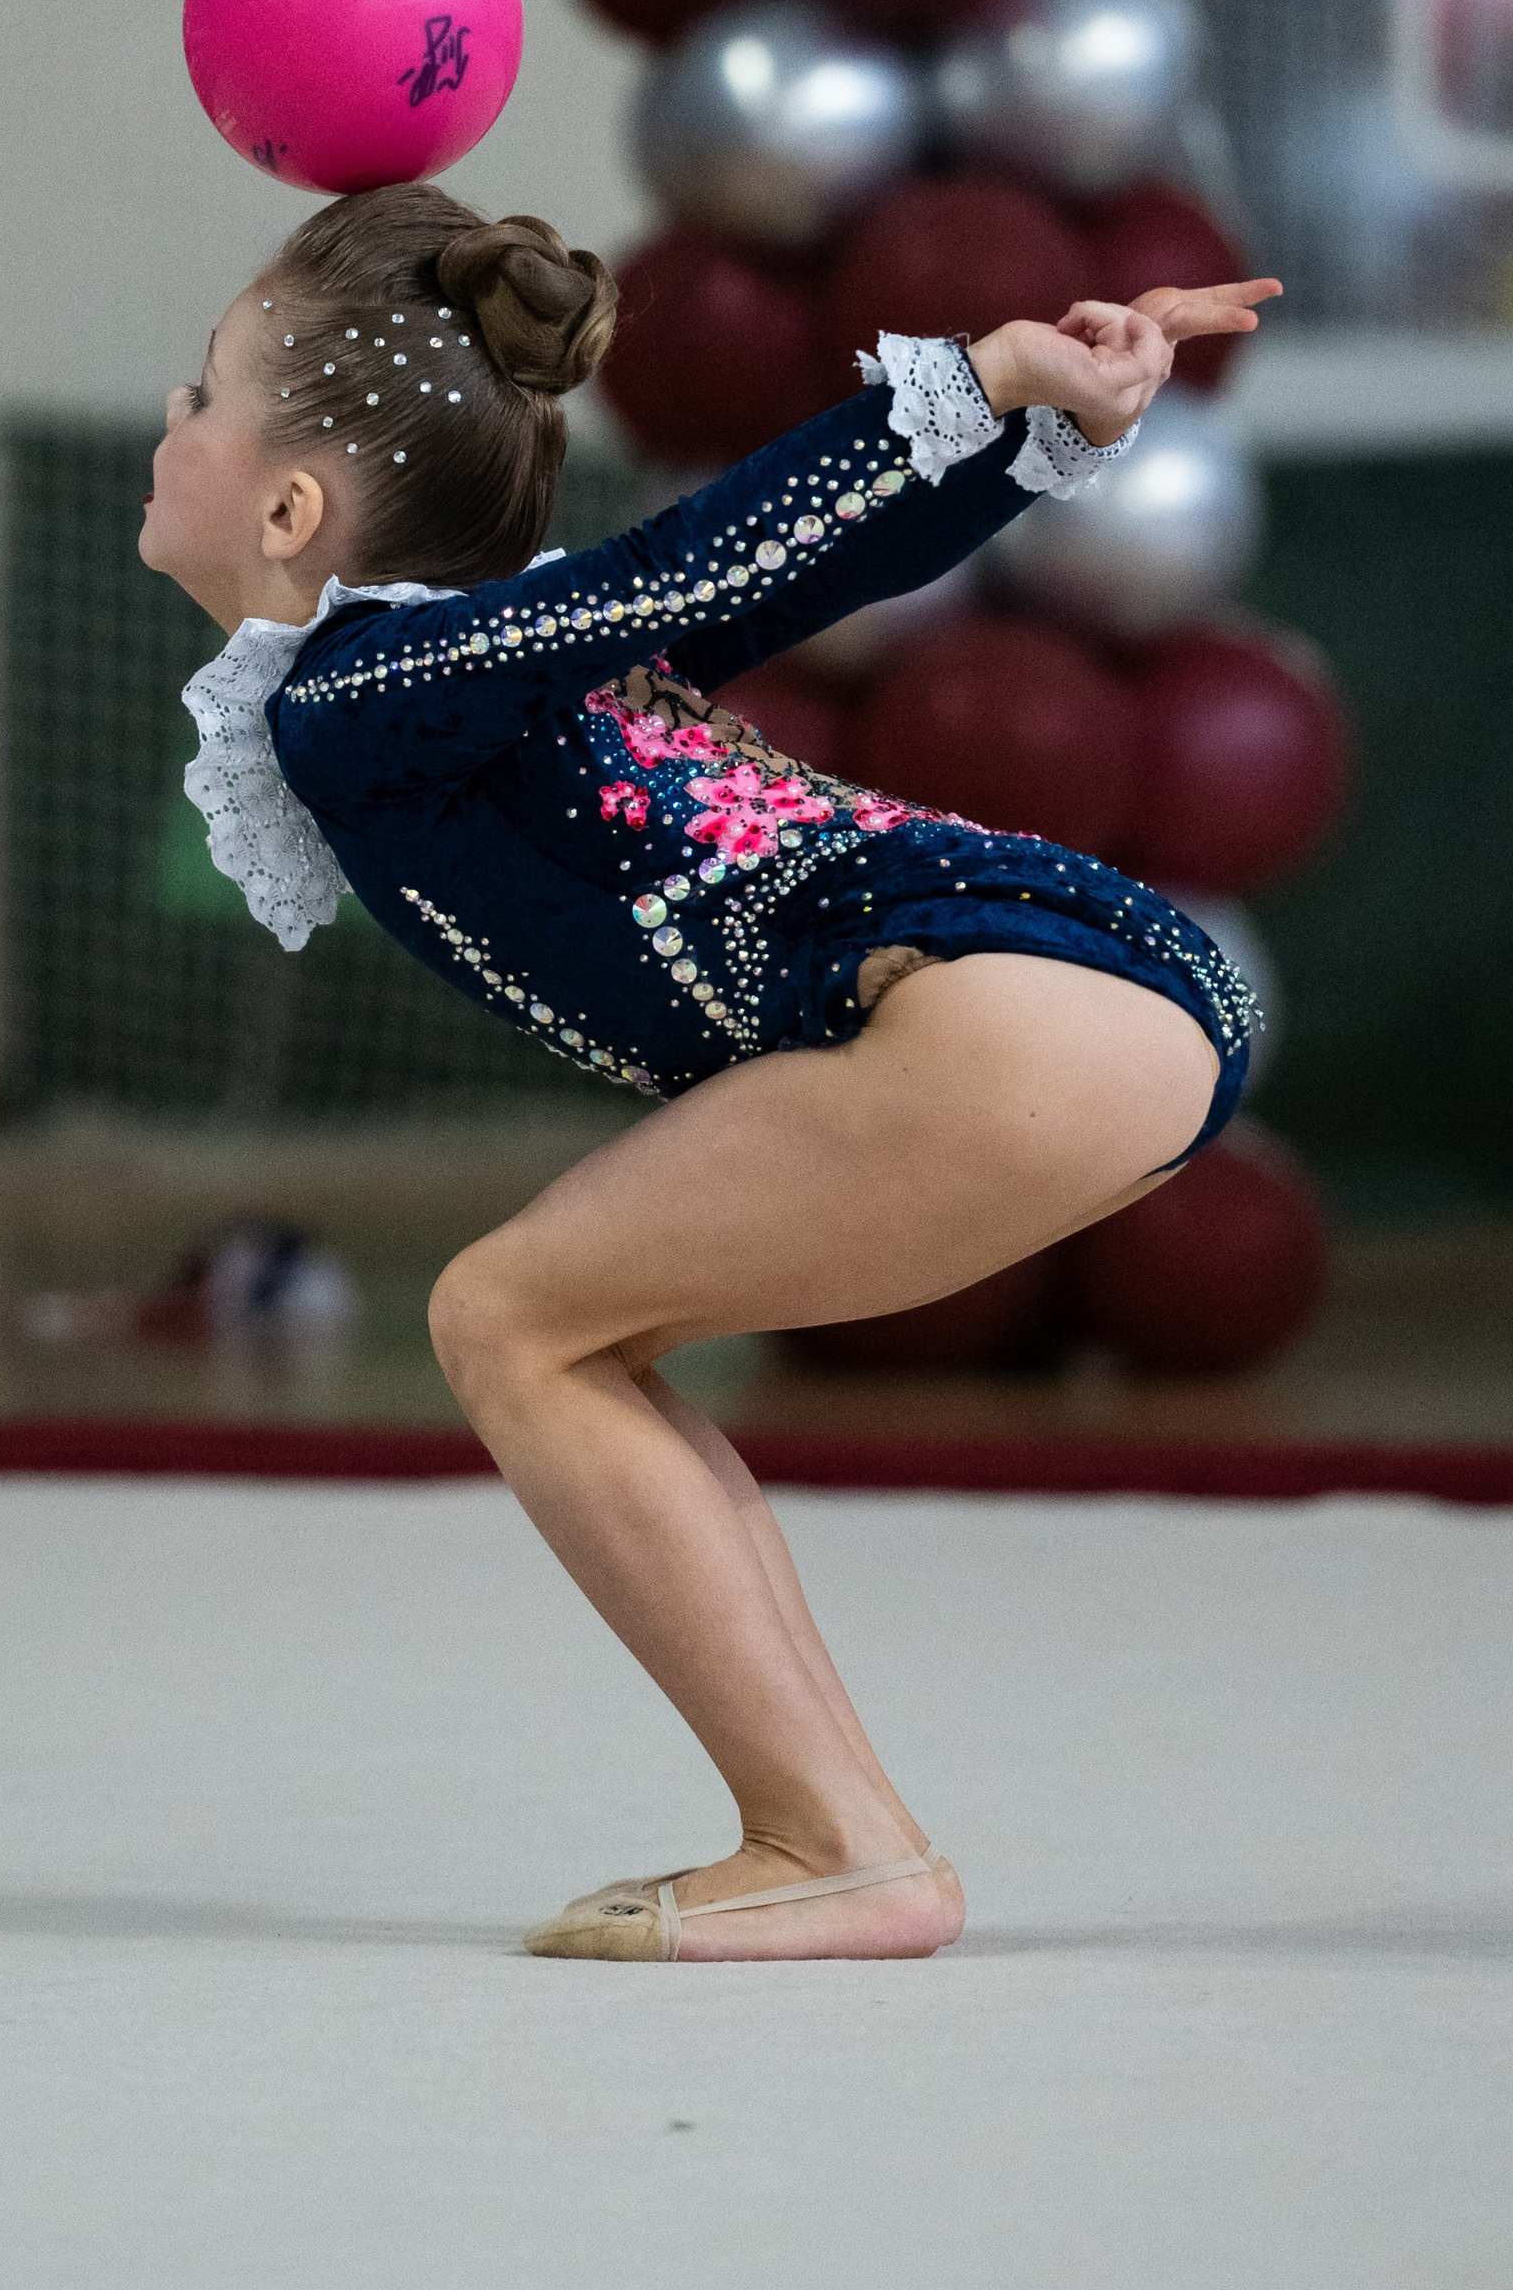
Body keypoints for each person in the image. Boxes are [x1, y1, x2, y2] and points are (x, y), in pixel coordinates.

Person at [141, 179, 1278, 1967]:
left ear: (292, 506)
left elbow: (700, 562)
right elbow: (815, 564)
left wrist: (989, 382)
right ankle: (842, 1841)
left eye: (198, 392)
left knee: (507, 1319)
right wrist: (1030, 433)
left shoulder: (363, 696)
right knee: (568, 1329)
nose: (168, 423)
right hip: (1100, 1010)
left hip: (1008, 1004)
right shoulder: (497, 678)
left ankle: (836, 1842)